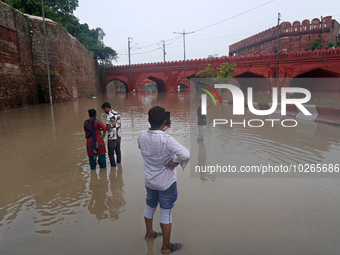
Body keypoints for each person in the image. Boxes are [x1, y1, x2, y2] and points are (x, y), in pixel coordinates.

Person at [138, 106, 190, 254]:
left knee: (149, 206)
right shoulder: (166, 139)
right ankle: (166, 246)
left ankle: (149, 234)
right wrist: (175, 162)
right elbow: (185, 155)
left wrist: (160, 132)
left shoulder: (141, 135)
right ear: (165, 122)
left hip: (150, 180)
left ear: (148, 120)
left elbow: (145, 146)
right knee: (166, 212)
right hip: (166, 183)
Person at [101, 102, 121, 167]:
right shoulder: (117, 114)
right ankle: (119, 164)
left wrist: (102, 129)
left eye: (104, 110)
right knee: (118, 151)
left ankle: (113, 166)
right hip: (118, 135)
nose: (104, 112)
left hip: (112, 137)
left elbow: (108, 128)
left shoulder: (108, 116)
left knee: (111, 153)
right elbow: (120, 124)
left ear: (106, 108)